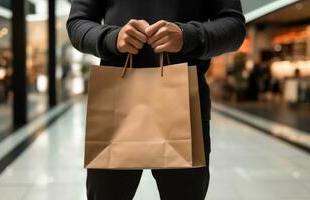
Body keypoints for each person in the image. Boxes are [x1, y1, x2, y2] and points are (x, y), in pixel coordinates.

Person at [67, 0, 245, 199]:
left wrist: (188, 36)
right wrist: (112, 38)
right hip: (117, 106)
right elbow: (77, 23)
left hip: (185, 109)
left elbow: (234, 26)